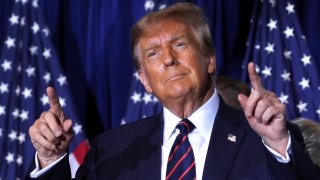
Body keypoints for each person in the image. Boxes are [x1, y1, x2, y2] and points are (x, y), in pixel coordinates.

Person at [28, 3, 320, 180]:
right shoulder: (110, 150)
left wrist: (279, 144)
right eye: (153, 53)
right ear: (144, 80)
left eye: (180, 44)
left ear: (210, 60)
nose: (168, 59)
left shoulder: (266, 140)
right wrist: (51, 160)